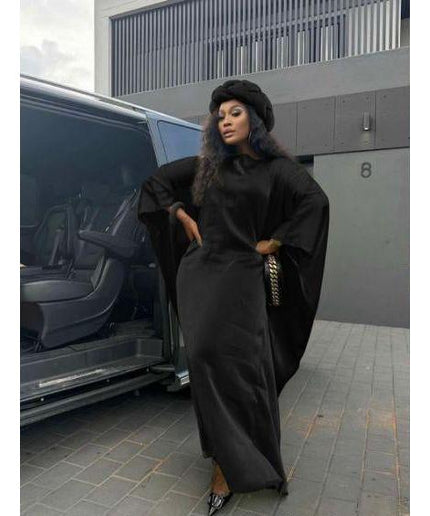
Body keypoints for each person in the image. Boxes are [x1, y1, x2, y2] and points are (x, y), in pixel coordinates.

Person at [137, 79, 330, 515]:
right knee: (204, 358)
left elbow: (315, 202)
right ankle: (224, 458)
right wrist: (180, 213)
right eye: (220, 115)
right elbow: (156, 182)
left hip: (242, 276)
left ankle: (231, 464)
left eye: (235, 113)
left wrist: (275, 240)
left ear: (255, 119)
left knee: (238, 368)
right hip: (200, 272)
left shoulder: (277, 170)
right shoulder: (208, 166)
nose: (224, 121)